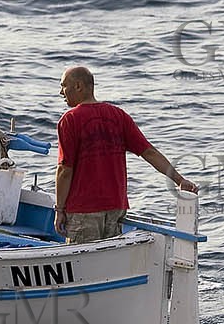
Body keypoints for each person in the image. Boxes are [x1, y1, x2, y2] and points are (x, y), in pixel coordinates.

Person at [54, 65, 198, 244]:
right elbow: (149, 152)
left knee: (83, 265)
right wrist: (179, 180)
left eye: (64, 85)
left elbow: (65, 170)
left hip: (84, 209)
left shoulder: (69, 120)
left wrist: (59, 209)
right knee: (110, 265)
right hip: (116, 206)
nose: (61, 92)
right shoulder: (118, 116)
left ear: (78, 86)